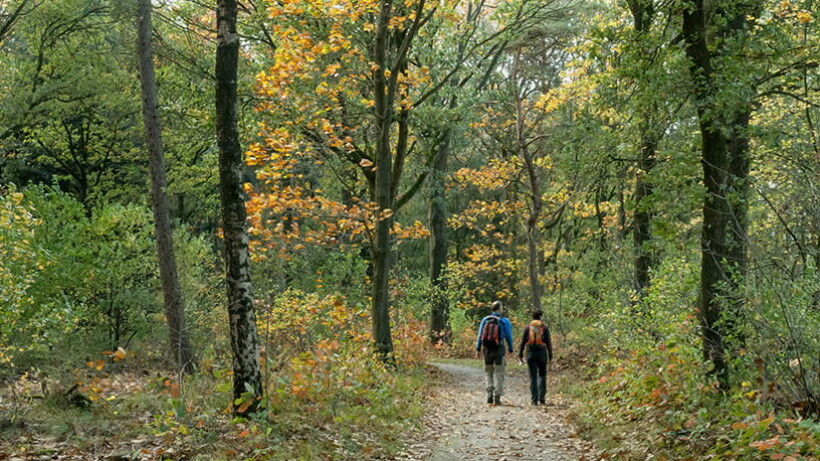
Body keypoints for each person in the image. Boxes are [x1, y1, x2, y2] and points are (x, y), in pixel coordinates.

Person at [475, 300, 513, 405]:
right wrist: (510, 349)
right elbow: (509, 337)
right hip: (499, 349)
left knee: (488, 371)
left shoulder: (485, 320)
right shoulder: (504, 321)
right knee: (499, 373)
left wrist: (478, 349)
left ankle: (489, 394)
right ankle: (497, 396)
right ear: (500, 309)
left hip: (487, 349)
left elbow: (479, 335)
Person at [517, 310, 553, 405]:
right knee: (542, 375)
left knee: (533, 376)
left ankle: (534, 399)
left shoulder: (528, 328)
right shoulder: (544, 328)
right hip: (542, 353)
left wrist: (520, 354)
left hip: (530, 353)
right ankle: (542, 398)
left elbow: (523, 342)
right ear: (540, 317)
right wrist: (550, 355)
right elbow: (548, 343)